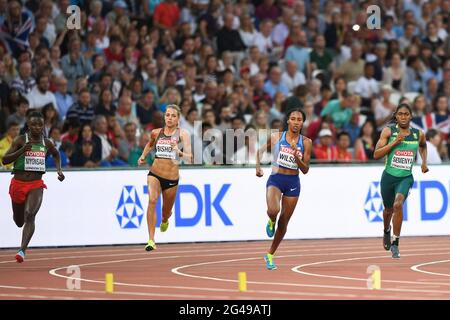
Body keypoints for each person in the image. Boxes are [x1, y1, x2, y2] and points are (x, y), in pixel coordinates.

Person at [1, 111, 65, 263]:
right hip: (18, 184)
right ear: (28, 126)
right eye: (34, 124)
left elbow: (56, 154)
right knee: (19, 221)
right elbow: (5, 160)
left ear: (43, 127)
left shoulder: (47, 143)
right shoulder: (20, 140)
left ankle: (22, 250)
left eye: (40, 125)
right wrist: (22, 150)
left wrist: (59, 169)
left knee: (30, 214)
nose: (37, 127)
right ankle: (20, 220)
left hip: (36, 184)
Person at [256, 108, 312, 270]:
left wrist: (296, 155)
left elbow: (305, 169)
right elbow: (259, 151)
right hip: (276, 179)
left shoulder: (306, 142)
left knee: (284, 221)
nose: (296, 122)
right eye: (293, 118)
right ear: (288, 121)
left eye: (299, 119)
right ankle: (271, 220)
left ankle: (270, 254)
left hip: (293, 182)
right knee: (273, 210)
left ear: (302, 123)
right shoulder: (276, 137)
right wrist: (258, 168)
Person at [373, 103, 428, 259]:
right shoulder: (388, 131)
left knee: (398, 204)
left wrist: (424, 162)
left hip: (405, 178)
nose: (403, 117)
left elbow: (423, 146)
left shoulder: (418, 134)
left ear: (411, 116)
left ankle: (395, 243)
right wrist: (395, 142)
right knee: (388, 210)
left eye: (406, 114)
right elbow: (376, 154)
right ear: (395, 116)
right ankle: (386, 231)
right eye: (400, 114)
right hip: (388, 177)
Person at [138, 105, 192, 251]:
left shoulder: (183, 134)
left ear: (178, 119)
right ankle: (151, 240)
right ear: (164, 117)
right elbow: (149, 145)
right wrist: (143, 156)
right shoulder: (156, 132)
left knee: (166, 212)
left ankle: (165, 219)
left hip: (171, 179)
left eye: (173, 116)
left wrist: (178, 151)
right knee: (152, 200)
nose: (170, 118)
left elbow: (190, 158)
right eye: (167, 115)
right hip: (154, 174)